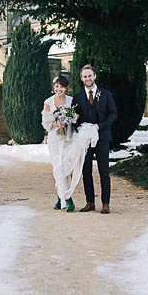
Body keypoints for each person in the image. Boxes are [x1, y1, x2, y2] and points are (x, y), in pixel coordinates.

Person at [72, 65, 117, 213]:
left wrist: (99, 126)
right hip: (85, 140)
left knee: (104, 171)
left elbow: (113, 114)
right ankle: (90, 202)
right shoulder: (77, 97)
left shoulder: (105, 94)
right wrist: (80, 129)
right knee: (86, 171)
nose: (88, 79)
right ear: (81, 78)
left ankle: (105, 203)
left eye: (90, 76)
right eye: (85, 76)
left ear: (94, 76)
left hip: (102, 138)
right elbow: (74, 118)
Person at [43, 76, 76, 212]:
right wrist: (57, 123)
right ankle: (67, 199)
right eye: (57, 86)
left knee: (66, 168)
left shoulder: (71, 101)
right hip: (55, 139)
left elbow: (76, 117)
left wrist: (69, 119)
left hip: (68, 138)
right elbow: (45, 123)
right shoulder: (48, 102)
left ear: (66, 88)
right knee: (57, 167)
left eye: (61, 87)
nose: (59, 89)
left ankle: (61, 196)